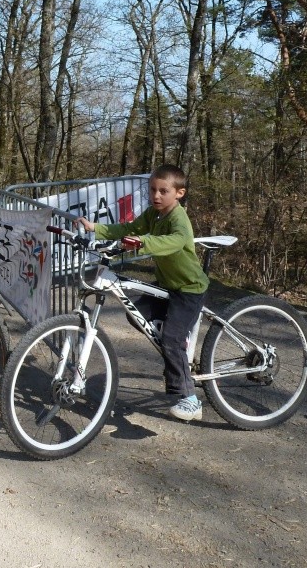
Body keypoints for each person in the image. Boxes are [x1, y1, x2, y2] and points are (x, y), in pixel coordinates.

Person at [75, 164, 209, 422]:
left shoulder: (178, 219)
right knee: (136, 314)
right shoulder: (154, 214)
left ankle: (190, 399)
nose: (156, 196)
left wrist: (144, 242)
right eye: (152, 190)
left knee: (171, 338)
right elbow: (128, 228)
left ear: (179, 193)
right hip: (168, 285)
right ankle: (177, 349)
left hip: (189, 290)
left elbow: (176, 241)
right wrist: (96, 228)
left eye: (163, 191)